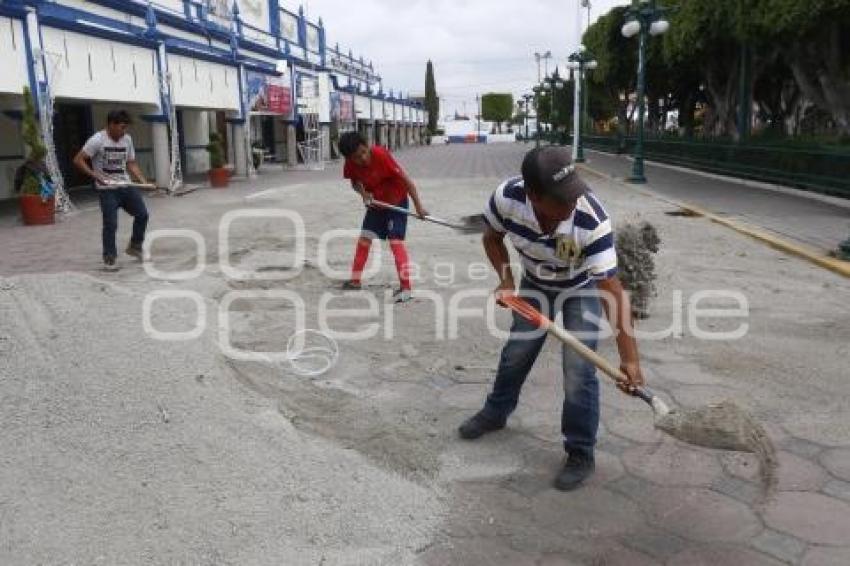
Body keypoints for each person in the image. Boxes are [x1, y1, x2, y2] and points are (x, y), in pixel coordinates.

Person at [458, 147, 646, 491]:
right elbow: (491, 238)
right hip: (534, 284)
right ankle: (496, 413)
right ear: (533, 195)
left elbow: (612, 291)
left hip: (581, 289)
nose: (571, 204)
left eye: (573, 194)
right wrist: (506, 281)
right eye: (561, 200)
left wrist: (630, 359)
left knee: (578, 369)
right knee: (517, 352)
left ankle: (580, 452)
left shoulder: (592, 220)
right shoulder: (506, 199)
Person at [338, 132, 429, 303]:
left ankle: (406, 288)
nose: (363, 159)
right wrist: (364, 195)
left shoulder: (381, 155)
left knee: (395, 243)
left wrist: (419, 207)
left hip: (397, 202)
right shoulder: (350, 164)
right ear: (349, 158)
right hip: (376, 204)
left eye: (364, 152)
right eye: (357, 157)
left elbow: (407, 181)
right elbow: (354, 183)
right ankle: (355, 281)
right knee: (364, 240)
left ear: (367, 145)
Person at [73, 110, 150, 269]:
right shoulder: (97, 140)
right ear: (111, 124)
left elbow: (131, 163)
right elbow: (78, 160)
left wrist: (143, 181)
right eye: (121, 127)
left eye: (125, 128)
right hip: (107, 190)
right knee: (111, 224)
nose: (124, 132)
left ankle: (135, 246)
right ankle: (109, 257)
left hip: (125, 186)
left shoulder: (127, 139)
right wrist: (95, 175)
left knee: (142, 214)